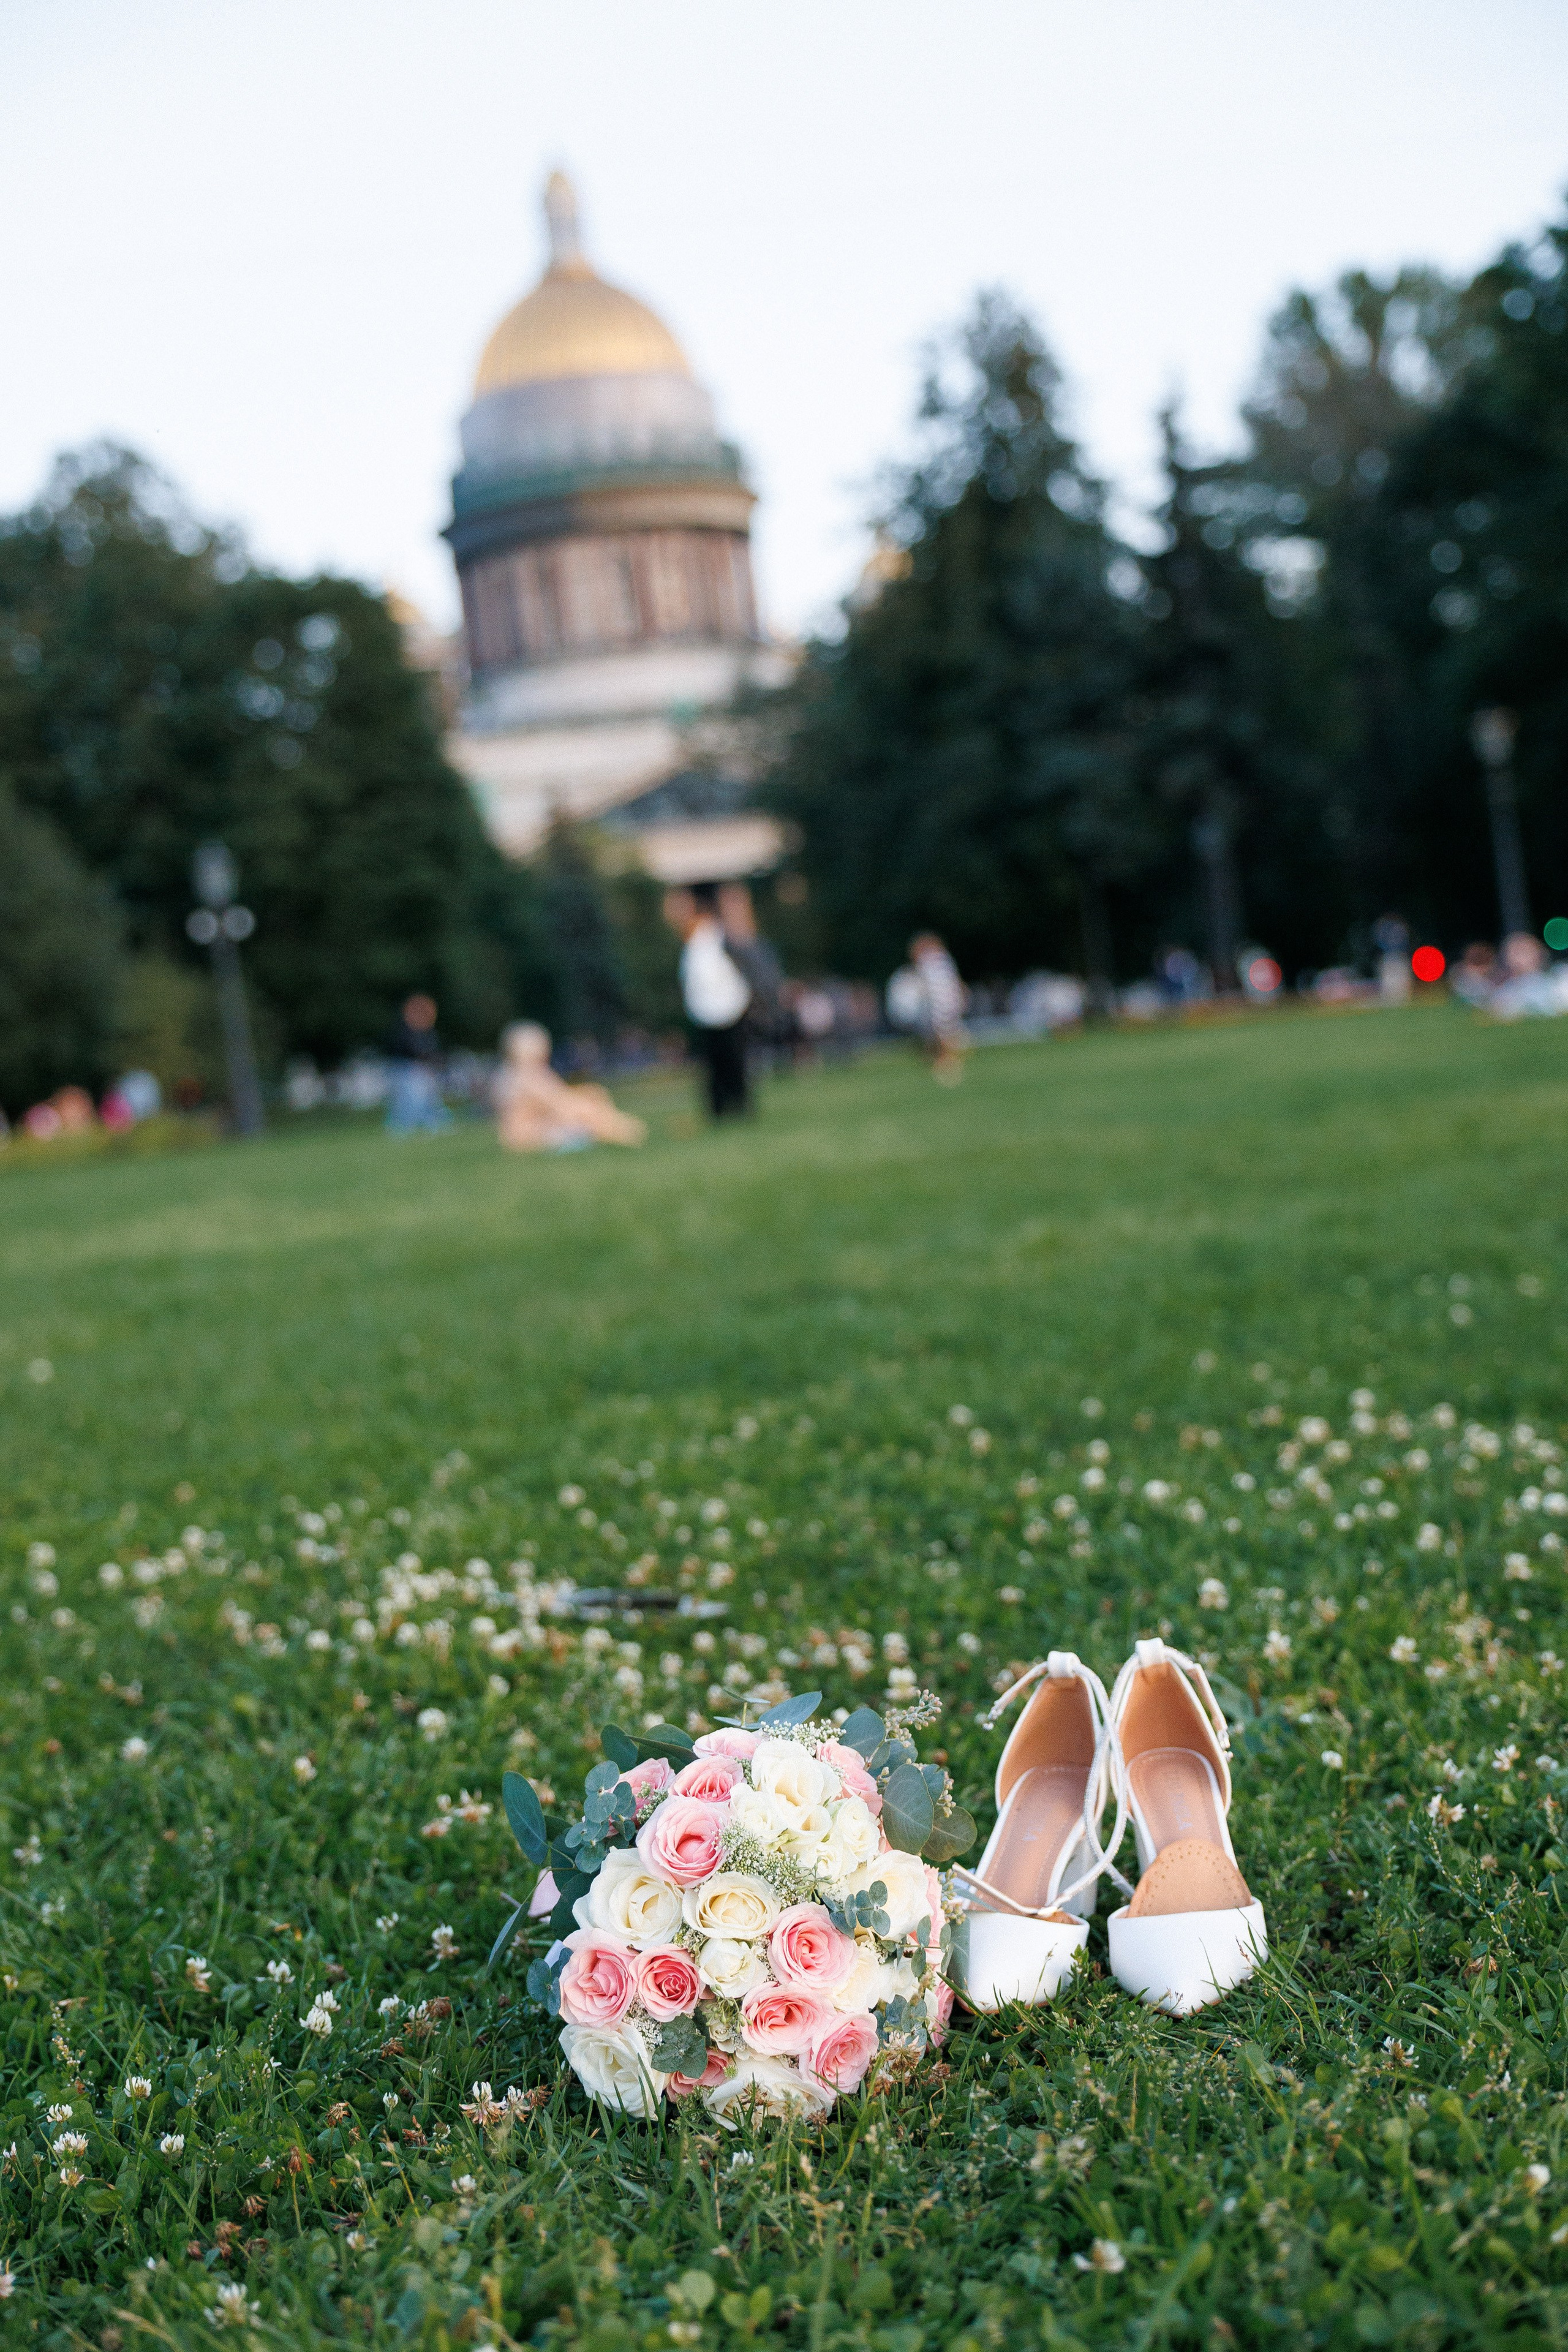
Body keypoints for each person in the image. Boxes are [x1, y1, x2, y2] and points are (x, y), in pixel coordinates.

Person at [666, 883, 753, 1119]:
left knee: (734, 1061)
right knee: (713, 1065)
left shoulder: (715, 932)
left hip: (729, 1006)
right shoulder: (690, 940)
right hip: (705, 1011)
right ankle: (720, 1109)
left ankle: (740, 1106)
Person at [492, 1023, 646, 1152]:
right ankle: (619, 1130)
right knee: (586, 1116)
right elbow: (558, 1103)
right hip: (531, 1136)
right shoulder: (526, 1076)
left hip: (530, 1132)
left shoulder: (511, 1074)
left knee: (591, 1098)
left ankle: (616, 1128)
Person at [907, 932, 969, 1084]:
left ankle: (947, 1062)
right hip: (942, 1002)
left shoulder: (934, 962)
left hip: (943, 1002)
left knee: (944, 1033)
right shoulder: (939, 961)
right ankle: (946, 1062)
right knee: (944, 1033)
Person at [385, 993, 451, 1133]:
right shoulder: (404, 1031)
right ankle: (403, 1127)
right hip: (408, 1071)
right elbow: (410, 1051)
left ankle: (431, 1123)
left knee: (428, 1098)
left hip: (422, 1072)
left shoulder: (428, 1033)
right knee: (410, 1100)